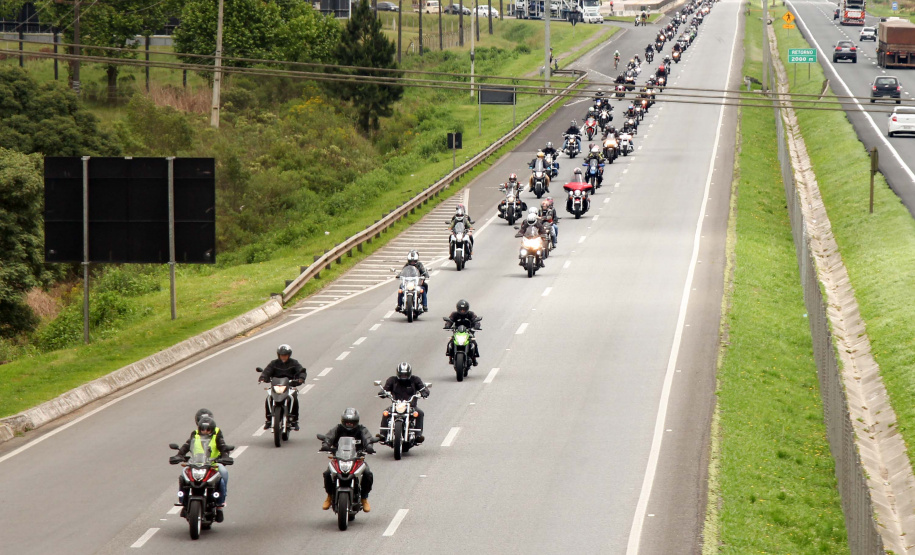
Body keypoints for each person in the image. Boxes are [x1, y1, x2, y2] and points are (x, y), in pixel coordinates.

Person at [171, 415, 232, 510]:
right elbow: (186, 446)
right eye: (203, 429)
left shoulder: (217, 435)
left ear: (212, 430)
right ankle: (183, 500)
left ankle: (220, 502)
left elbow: (223, 446)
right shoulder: (194, 434)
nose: (205, 431)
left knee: (223, 472)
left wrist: (225, 457)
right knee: (183, 475)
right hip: (196, 463)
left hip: (212, 464)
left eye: (208, 430)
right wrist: (179, 455)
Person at [320, 408, 375, 512]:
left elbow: (368, 438)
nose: (349, 424)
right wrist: (326, 444)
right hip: (339, 458)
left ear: (356, 422)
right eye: (347, 422)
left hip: (357, 459)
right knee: (327, 473)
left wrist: (369, 446)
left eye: (352, 422)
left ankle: (364, 498)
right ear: (343, 421)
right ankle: (329, 496)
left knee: (368, 473)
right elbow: (329, 437)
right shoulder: (338, 429)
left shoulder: (361, 429)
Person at [258, 344, 306, 431]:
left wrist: (301, 378)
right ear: (278, 355)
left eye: (285, 355)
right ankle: (269, 420)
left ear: (289, 355)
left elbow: (301, 371)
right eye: (281, 355)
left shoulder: (294, 363)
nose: (283, 356)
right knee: (269, 398)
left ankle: (294, 420)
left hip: (290, 385)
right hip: (276, 385)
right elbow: (266, 371)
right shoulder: (274, 363)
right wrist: (262, 377)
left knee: (294, 397)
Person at [379, 362, 429, 442]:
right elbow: (385, 389)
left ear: (409, 373)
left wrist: (424, 392)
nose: (403, 377)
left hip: (411, 406)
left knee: (420, 413)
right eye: (402, 375)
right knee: (386, 413)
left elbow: (423, 388)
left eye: (405, 375)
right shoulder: (392, 380)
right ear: (398, 373)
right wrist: (382, 393)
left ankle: (418, 435)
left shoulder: (415, 380)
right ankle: (383, 435)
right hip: (396, 405)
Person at [444, 299, 481, 365]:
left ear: (467, 309)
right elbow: (450, 320)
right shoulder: (454, 314)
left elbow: (476, 320)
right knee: (450, 342)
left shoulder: (471, 314)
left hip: (468, 332)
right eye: (461, 309)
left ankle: (474, 359)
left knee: (474, 343)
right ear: (458, 309)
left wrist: (476, 326)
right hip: (457, 332)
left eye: (464, 309)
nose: (462, 311)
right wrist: (447, 325)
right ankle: (450, 357)